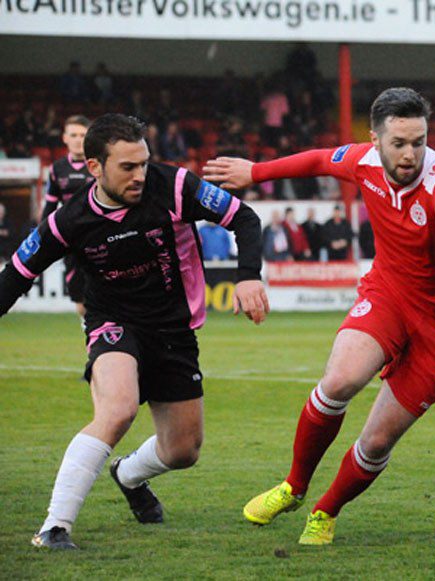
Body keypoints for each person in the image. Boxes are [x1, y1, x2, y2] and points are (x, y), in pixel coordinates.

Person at [203, 87, 435, 545]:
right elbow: (318, 160)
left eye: (419, 142)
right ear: (375, 139)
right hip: (389, 294)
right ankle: (293, 486)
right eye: (399, 143)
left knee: (376, 442)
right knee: (338, 382)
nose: (410, 154)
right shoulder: (363, 161)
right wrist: (256, 171)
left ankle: (325, 511)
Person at [0, 113, 268, 550]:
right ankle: (55, 526)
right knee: (119, 408)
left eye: (143, 163)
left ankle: (127, 474)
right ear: (94, 167)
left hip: (174, 328)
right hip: (113, 322)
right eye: (127, 167)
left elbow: (245, 218)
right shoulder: (68, 220)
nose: (140, 175)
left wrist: (249, 276)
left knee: (183, 451)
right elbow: (15, 275)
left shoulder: (174, 186)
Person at [42, 115, 93, 318]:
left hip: (99, 235)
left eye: (82, 135)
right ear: (65, 138)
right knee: (80, 300)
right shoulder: (57, 169)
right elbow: (50, 206)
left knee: (105, 292)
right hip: (71, 240)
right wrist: (41, 236)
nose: (78, 140)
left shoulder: (100, 165)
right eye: (73, 135)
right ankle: (89, 329)